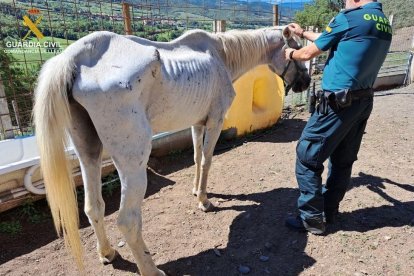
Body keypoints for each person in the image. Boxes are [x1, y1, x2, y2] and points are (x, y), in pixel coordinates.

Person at [284, 0, 392, 234]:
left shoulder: (347, 18)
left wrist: (289, 52)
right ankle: (330, 212)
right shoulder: (382, 22)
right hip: (362, 101)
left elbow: (306, 54)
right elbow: (334, 37)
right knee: (343, 160)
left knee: (308, 155)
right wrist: (302, 32)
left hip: (337, 103)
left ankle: (312, 218)